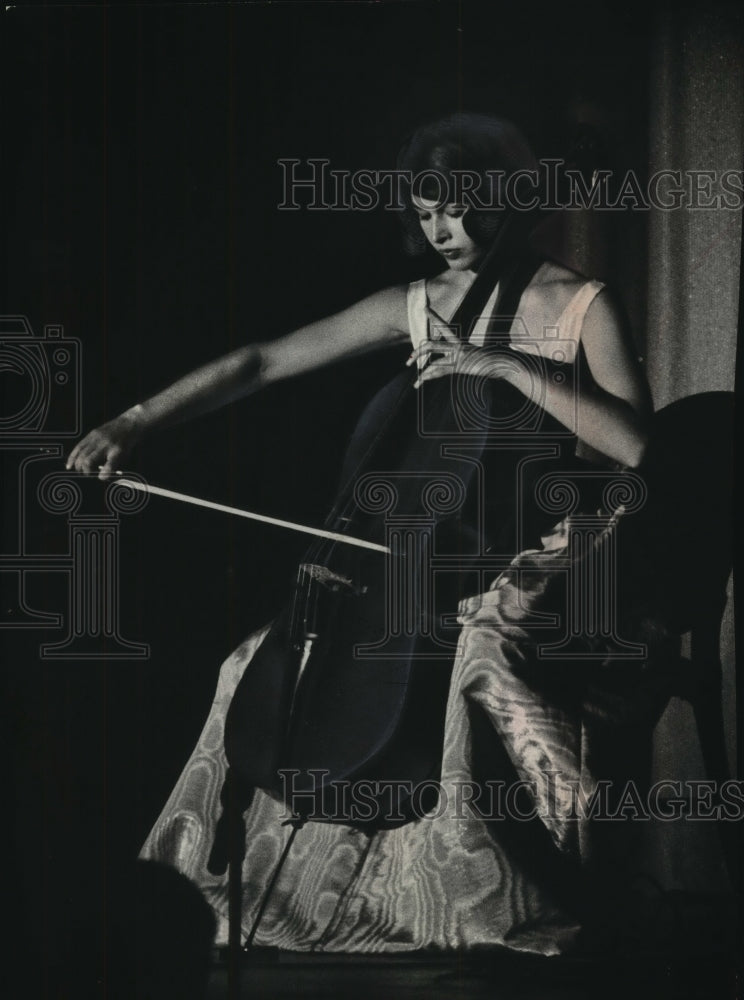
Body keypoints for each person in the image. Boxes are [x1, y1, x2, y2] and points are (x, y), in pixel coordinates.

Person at [68, 113, 654, 955]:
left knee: (484, 650)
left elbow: (638, 447)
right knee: (256, 664)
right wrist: (135, 420)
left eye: (459, 207)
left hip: (556, 542)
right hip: (437, 552)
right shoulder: (418, 306)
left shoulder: (579, 303)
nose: (443, 231)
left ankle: (517, 881)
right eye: (426, 213)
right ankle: (272, 890)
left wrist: (515, 368)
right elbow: (264, 360)